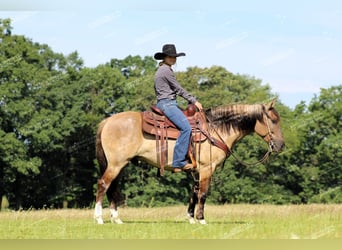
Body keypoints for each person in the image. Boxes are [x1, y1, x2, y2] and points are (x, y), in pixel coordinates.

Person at [154, 44, 203, 171]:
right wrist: (194, 101)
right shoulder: (165, 70)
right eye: (170, 57)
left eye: (174, 57)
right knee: (186, 128)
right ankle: (178, 161)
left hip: (167, 102)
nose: (172, 59)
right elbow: (178, 89)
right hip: (167, 104)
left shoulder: (163, 69)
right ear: (164, 57)